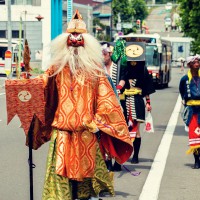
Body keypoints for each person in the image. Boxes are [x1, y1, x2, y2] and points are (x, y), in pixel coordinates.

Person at [27, 10, 133, 200]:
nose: (75, 46)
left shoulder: (95, 72)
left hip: (86, 132)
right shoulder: (56, 69)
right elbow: (40, 86)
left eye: (79, 41)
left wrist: (98, 121)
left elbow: (107, 101)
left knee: (86, 185)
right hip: (62, 133)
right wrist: (24, 86)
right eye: (71, 42)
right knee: (59, 183)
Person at [100, 42, 128, 172]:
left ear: (110, 54)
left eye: (104, 54)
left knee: (118, 133)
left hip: (117, 103)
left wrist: (118, 88)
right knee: (105, 133)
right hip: (103, 105)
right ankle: (107, 161)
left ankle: (118, 160)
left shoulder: (118, 66)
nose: (102, 56)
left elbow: (123, 78)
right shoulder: (98, 68)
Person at [124, 61, 155, 164]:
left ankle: (135, 155)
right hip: (124, 100)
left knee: (136, 129)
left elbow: (146, 87)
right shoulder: (124, 68)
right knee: (123, 129)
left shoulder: (142, 69)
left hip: (136, 100)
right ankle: (124, 153)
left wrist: (148, 102)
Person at [179, 54, 200, 169]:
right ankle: (196, 160)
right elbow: (182, 92)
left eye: (198, 61)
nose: (197, 64)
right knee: (194, 135)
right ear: (189, 65)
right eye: (194, 62)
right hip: (192, 110)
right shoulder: (185, 79)